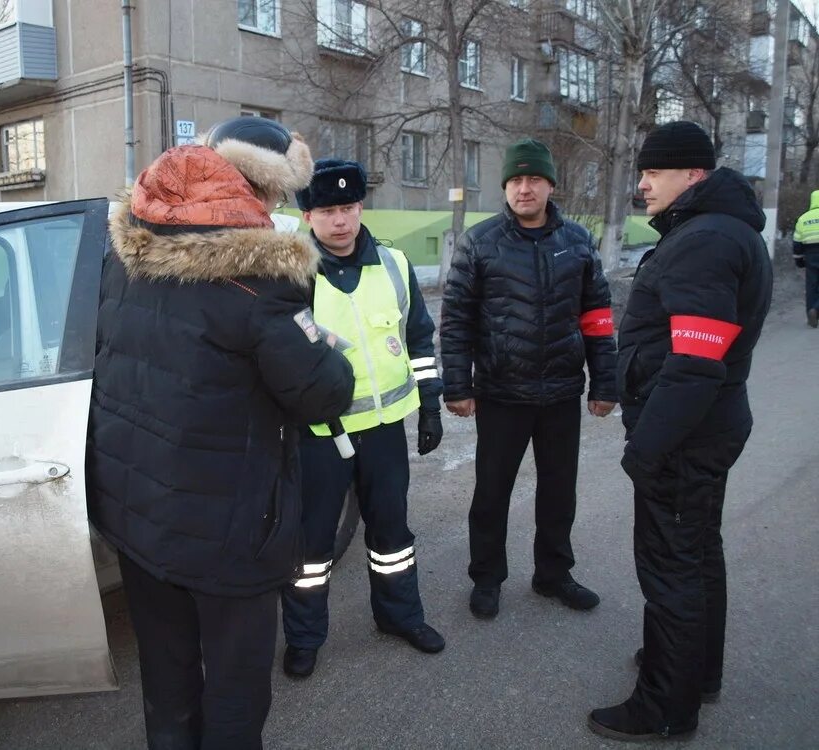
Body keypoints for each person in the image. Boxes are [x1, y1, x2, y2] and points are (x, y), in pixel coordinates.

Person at [85, 117, 354, 750]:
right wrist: (323, 344)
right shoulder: (262, 281)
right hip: (228, 530)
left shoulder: (126, 253)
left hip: (139, 517)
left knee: (167, 678)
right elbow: (322, 394)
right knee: (235, 689)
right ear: (261, 190)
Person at [588, 121, 772, 741]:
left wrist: (648, 446)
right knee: (696, 556)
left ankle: (666, 705)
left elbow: (696, 361)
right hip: (705, 426)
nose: (641, 184)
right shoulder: (718, 230)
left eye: (652, 172)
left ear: (693, 174)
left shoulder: (704, 240)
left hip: (685, 434)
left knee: (672, 568)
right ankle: (695, 671)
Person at [280, 158, 446, 679]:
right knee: (312, 546)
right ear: (308, 216)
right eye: (327, 210)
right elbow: (280, 356)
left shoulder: (394, 265)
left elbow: (419, 337)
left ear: (360, 208)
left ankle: (400, 617)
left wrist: (430, 403)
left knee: (392, 531)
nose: (340, 221)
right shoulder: (292, 275)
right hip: (320, 436)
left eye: (348, 207)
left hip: (383, 431)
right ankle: (305, 639)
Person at [440, 138, 617, 620]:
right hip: (502, 391)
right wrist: (457, 385)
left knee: (560, 491)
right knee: (491, 492)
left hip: (560, 392)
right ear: (505, 187)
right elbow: (457, 319)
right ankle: (487, 578)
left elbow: (597, 317)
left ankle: (553, 574)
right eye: (516, 180)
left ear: (550, 186)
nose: (524, 188)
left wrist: (605, 383)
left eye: (533, 179)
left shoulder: (577, 241)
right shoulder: (481, 242)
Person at [792, 189, 819, 328]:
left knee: (811, 285)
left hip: (810, 254)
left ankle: (810, 314)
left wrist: (799, 260)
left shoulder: (804, 218)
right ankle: (816, 309)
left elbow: (797, 242)